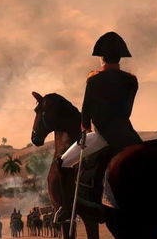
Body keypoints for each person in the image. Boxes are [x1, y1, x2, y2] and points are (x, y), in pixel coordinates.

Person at [57, 31, 142, 222]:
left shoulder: (94, 80)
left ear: (101, 58)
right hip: (129, 135)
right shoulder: (131, 81)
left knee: (62, 162)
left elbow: (86, 111)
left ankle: (67, 208)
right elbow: (127, 112)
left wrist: (85, 127)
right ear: (120, 57)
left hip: (102, 134)